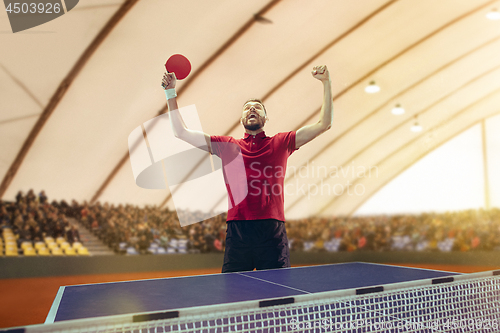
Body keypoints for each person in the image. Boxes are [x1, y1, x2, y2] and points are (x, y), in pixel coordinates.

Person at [161, 65, 333, 272]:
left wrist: (326, 83)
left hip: (271, 230)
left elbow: (324, 123)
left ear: (266, 118)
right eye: (247, 107)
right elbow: (180, 132)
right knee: (234, 293)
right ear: (241, 119)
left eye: (257, 107)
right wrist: (170, 92)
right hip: (238, 229)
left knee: (277, 294)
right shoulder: (226, 145)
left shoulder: (282, 142)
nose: (252, 109)